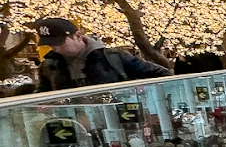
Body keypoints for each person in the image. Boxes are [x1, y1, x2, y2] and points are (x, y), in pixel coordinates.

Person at [32, 18, 170, 90]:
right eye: (50, 44)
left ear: (78, 36)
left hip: (120, 119)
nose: (55, 47)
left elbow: (161, 74)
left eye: (60, 42)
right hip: (71, 125)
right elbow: (42, 96)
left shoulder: (113, 57)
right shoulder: (49, 66)